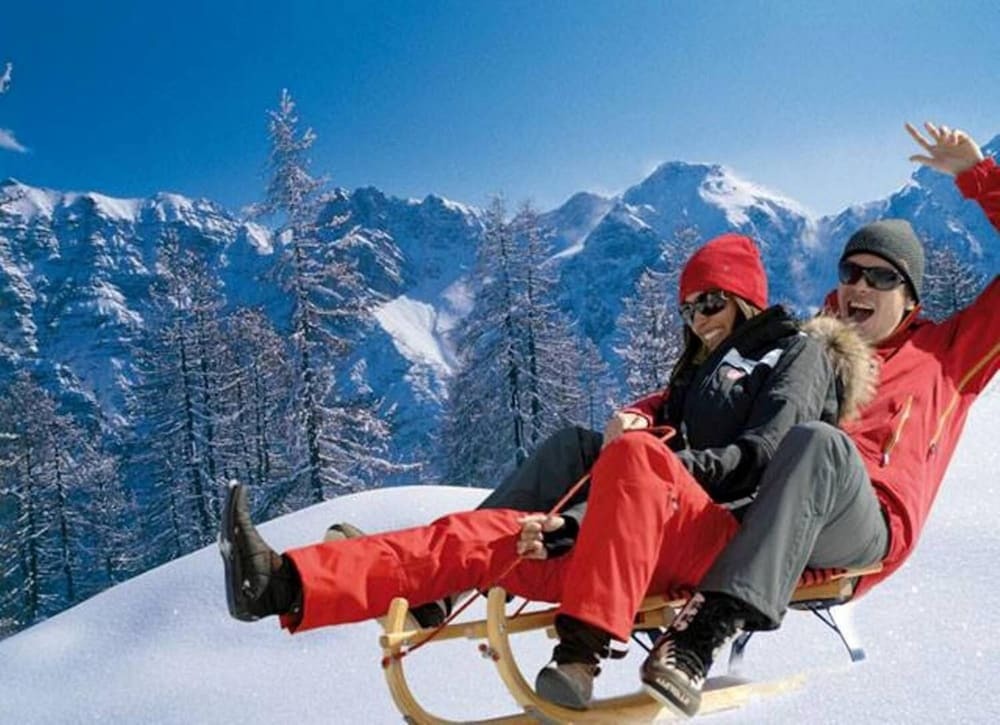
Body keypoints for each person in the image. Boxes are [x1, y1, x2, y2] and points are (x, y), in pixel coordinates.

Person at [221, 232, 869, 708]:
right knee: (495, 528)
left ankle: (581, 651)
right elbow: (648, 460)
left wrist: (650, 469)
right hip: (650, 532)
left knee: (635, 456)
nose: (698, 321)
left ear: (745, 299)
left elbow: (764, 457)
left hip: (728, 544)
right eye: (688, 309)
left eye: (710, 303)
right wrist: (582, 511)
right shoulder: (697, 375)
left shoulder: (797, 353)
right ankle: (285, 583)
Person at [638, 121, 999, 717]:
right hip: (773, 514)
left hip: (865, 527)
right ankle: (569, 617)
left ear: (910, 298)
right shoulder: (809, 344)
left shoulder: (948, 356)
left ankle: (701, 636)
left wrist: (976, 175)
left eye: (882, 276)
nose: (861, 285)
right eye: (850, 272)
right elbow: (715, 388)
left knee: (817, 442)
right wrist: (639, 417)